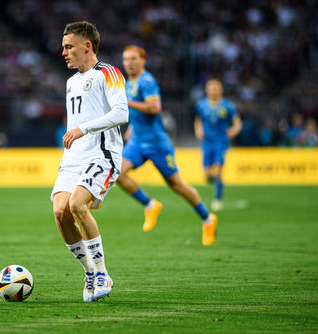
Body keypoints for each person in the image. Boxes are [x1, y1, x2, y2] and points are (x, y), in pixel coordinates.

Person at [51, 22, 128, 302]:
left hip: (102, 153)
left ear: (87, 46)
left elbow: (121, 113)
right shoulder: (71, 82)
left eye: (69, 47)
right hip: (74, 157)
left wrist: (83, 130)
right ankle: (89, 271)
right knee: (60, 212)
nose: (63, 52)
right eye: (63, 47)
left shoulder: (109, 73)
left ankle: (102, 273)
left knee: (77, 204)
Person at [117, 45, 218, 246]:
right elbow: (138, 115)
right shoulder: (129, 83)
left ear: (143, 61)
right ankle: (150, 205)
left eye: (133, 59)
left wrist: (127, 103)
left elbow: (155, 108)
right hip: (138, 142)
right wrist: (132, 129)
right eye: (126, 59)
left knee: (177, 185)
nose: (129, 63)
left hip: (157, 144)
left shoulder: (147, 81)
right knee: (118, 173)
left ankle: (208, 219)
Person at [194, 79, 242, 210]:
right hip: (206, 142)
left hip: (221, 142)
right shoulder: (201, 105)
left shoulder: (228, 106)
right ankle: (218, 183)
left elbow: (237, 123)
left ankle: (217, 198)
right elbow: (198, 121)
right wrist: (198, 130)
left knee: (217, 169)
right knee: (207, 175)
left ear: (220, 90)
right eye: (211, 88)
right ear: (207, 90)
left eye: (216, 88)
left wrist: (233, 131)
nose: (213, 91)